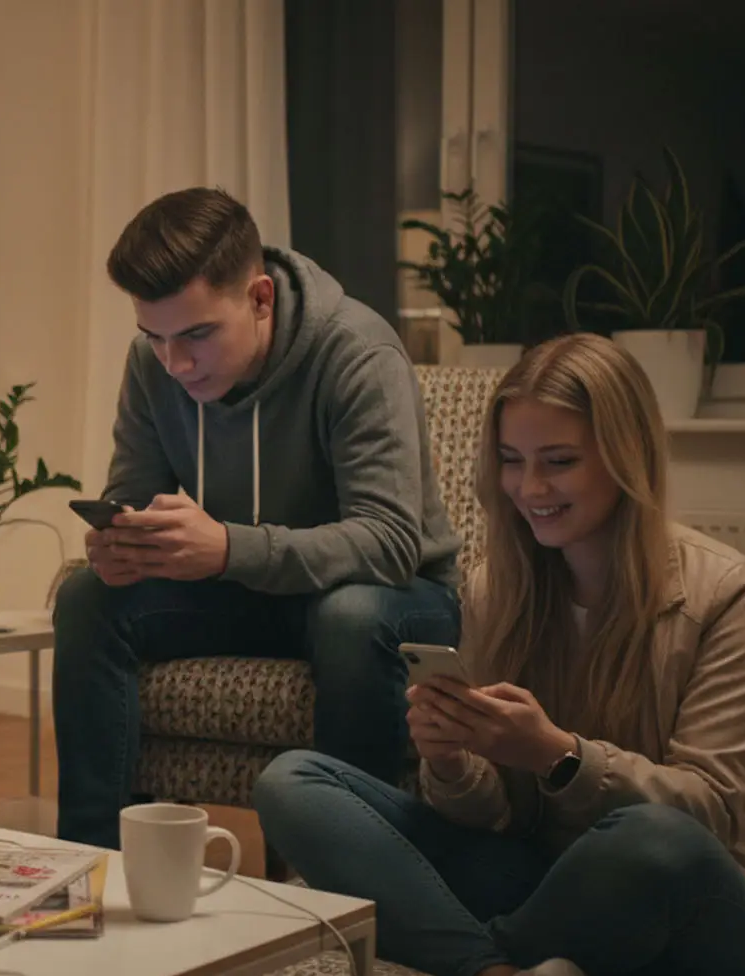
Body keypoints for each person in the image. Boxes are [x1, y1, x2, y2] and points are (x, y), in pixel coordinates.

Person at [253, 333, 745, 976]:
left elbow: (710, 814)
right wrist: (451, 760)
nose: (531, 488)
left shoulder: (727, 593)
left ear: (625, 458)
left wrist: (559, 756)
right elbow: (493, 818)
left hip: (702, 895)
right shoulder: (494, 588)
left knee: (655, 840)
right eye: (513, 462)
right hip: (545, 873)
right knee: (294, 781)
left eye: (560, 461)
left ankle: (458, 945)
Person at [55, 187, 463, 848]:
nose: (175, 362)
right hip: (251, 593)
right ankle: (90, 867)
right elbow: (135, 497)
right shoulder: (153, 364)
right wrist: (125, 545)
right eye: (154, 337)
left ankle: (351, 880)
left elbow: (390, 542)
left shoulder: (356, 352)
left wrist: (226, 551)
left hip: (395, 599)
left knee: (349, 616)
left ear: (261, 298)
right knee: (88, 597)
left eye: (197, 334)